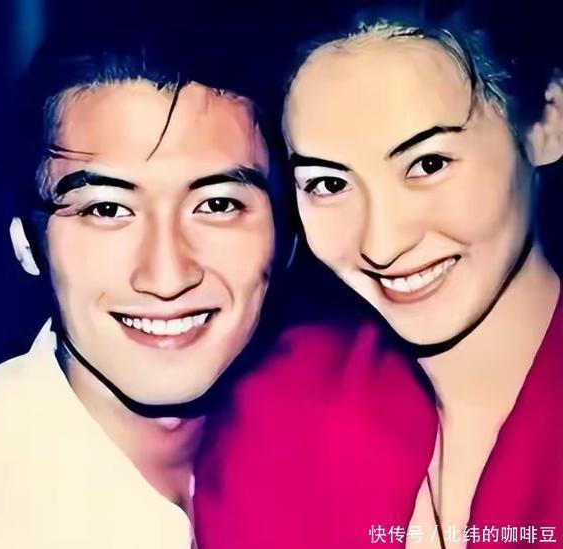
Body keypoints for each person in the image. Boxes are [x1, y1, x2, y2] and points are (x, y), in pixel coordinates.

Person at [195, 2, 563, 548]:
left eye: (429, 164)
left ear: (546, 123)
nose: (382, 245)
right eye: (329, 184)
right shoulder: (277, 414)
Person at [0, 21, 278, 548]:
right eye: (107, 209)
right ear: (28, 246)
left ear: (288, 239)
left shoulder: (336, 439)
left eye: (217, 204)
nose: (166, 276)